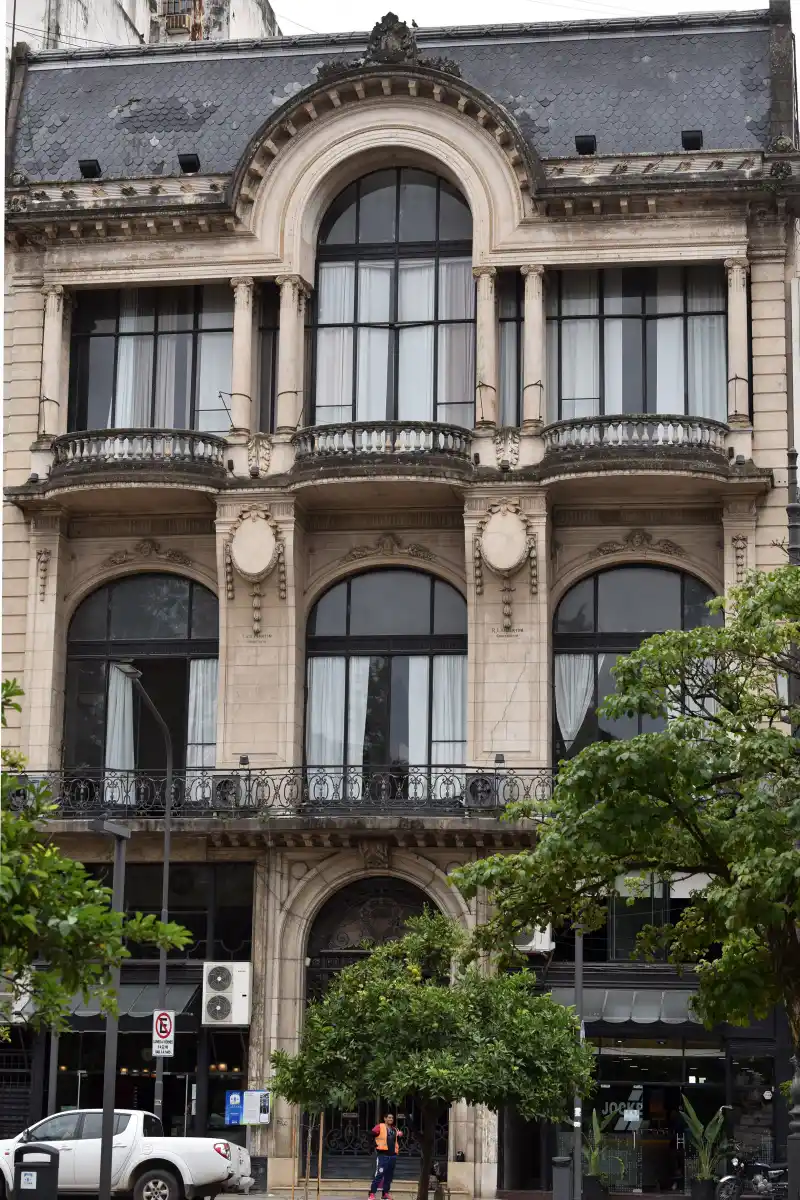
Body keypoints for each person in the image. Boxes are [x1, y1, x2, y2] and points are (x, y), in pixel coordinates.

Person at [369, 1113, 403, 1200]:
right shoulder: (380, 1127)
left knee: (389, 1176)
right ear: (385, 1118)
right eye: (389, 1117)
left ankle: (385, 1194)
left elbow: (395, 1140)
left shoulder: (394, 1129)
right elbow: (371, 1134)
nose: (391, 1119)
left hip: (392, 1156)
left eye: (392, 1118)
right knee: (379, 1174)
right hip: (383, 1156)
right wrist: (374, 1145)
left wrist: (399, 1135)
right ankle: (372, 1193)